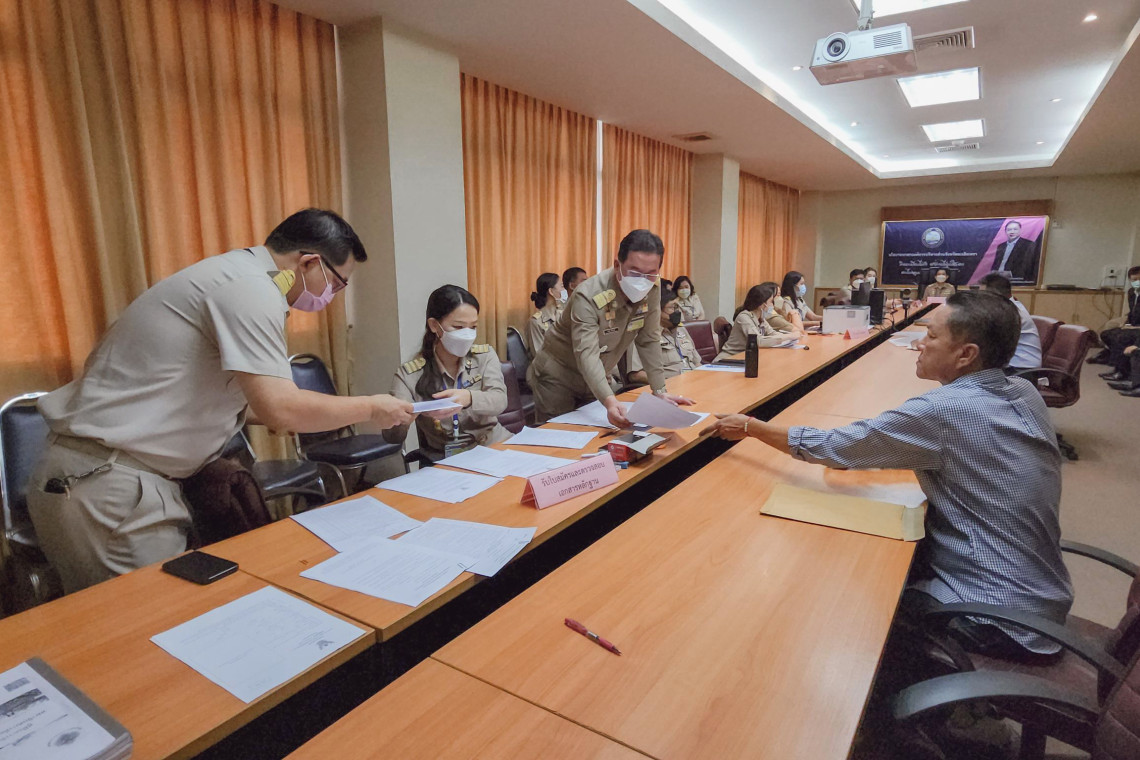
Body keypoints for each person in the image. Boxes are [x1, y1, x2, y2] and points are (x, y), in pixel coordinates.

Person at [27, 209, 416, 593]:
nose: (332, 296)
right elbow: (281, 408)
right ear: (309, 262)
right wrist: (372, 407)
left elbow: (248, 402)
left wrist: (298, 412)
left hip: (117, 478)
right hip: (109, 484)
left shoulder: (238, 278)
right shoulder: (250, 289)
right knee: (155, 621)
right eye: (337, 283)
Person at [706, 291, 1072, 661]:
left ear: (966, 355)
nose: (919, 343)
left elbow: (832, 446)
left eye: (931, 336)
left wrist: (750, 426)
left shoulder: (944, 411)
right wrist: (875, 452)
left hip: (992, 614)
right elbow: (961, 451)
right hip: (1040, 598)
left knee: (842, 600)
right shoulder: (1023, 391)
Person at [527, 229, 693, 427]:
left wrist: (659, 390)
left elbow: (648, 340)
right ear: (617, 265)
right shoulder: (588, 295)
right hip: (558, 375)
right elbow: (587, 354)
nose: (642, 280)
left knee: (599, 433)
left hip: (596, 377)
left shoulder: (653, 288)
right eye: (634, 272)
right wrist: (609, 400)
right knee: (558, 435)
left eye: (650, 273)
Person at [384, 285, 508, 460]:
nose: (467, 334)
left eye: (473, 327)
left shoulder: (484, 356)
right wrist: (401, 421)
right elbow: (391, 437)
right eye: (458, 327)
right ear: (434, 326)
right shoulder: (410, 375)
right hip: (446, 460)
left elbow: (500, 400)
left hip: (493, 446)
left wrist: (468, 398)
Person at [627, 286, 703, 385]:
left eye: (677, 307)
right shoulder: (642, 335)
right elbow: (636, 375)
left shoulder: (681, 329)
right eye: (672, 307)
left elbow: (697, 362)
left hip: (693, 382)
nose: (677, 312)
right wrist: (665, 383)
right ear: (657, 311)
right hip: (670, 386)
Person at [714, 283, 796, 362]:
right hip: (728, 359)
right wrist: (789, 336)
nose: (773, 305)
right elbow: (758, 341)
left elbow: (772, 333)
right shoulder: (744, 317)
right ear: (762, 304)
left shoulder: (760, 318)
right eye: (771, 301)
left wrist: (791, 337)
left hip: (745, 358)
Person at [978, 273, 1041, 371]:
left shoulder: (1011, 312)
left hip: (1022, 369)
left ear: (995, 296)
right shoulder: (1006, 307)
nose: (979, 300)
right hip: (1011, 365)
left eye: (983, 296)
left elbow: (986, 339)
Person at [1093, 265, 1140, 370]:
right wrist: (1127, 323)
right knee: (1106, 331)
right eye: (1134, 280)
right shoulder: (1132, 292)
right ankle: (1108, 353)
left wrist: (1131, 326)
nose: (1137, 282)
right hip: (1132, 321)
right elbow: (1133, 311)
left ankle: (1118, 367)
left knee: (1120, 337)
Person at [526, 273, 565, 357]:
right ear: (551, 291)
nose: (564, 290)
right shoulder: (536, 322)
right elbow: (539, 355)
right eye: (562, 286)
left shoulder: (563, 314)